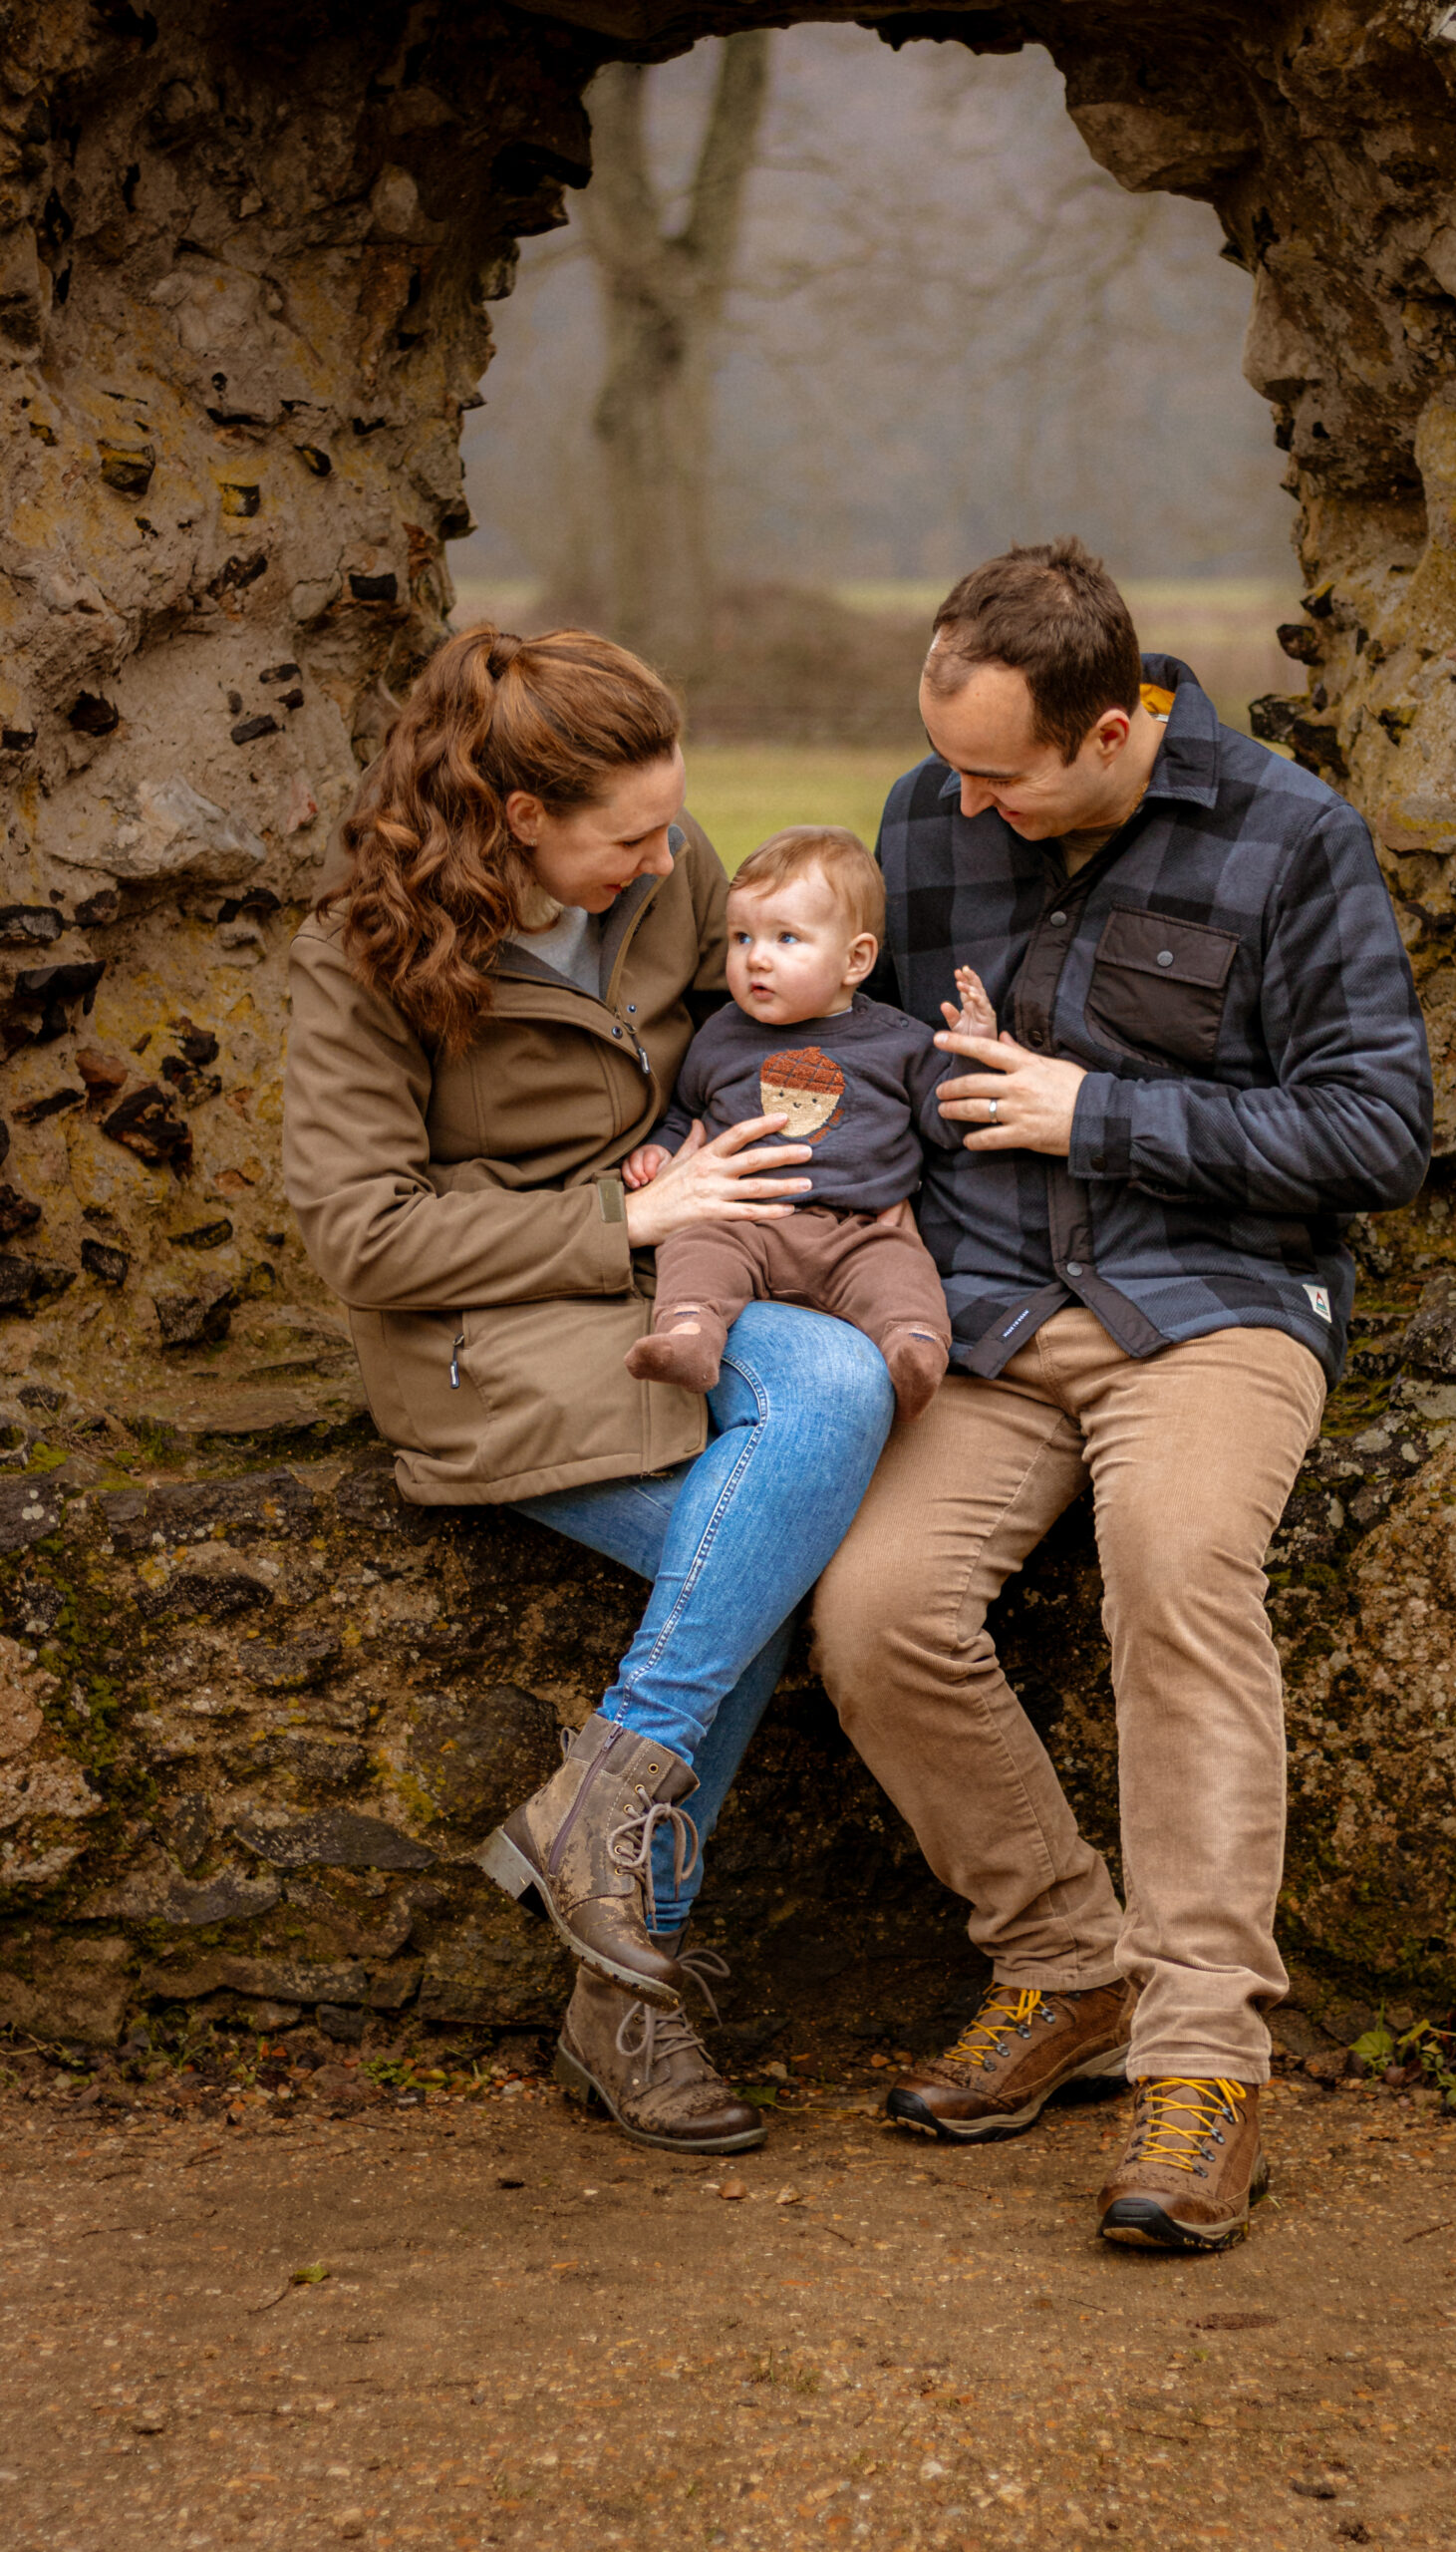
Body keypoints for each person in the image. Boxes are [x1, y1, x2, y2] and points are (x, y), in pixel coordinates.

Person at [811, 538, 1432, 2251]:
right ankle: (1064, 1970)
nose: (960, 800)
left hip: (1213, 1309)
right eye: (947, 762)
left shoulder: (1287, 833)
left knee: (1174, 1578)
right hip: (992, 1310)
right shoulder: (926, 815)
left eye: (996, 774)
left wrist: (1095, 1114)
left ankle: (1203, 2062)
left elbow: (1377, 1134)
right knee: (869, 1613)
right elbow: (868, 1047)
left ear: (1108, 733)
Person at [283, 626, 895, 2158]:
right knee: (748, 1547)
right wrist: (614, 1219)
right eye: (624, 836)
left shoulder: (667, 869)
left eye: (665, 822)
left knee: (825, 1384)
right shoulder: (359, 955)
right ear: (513, 821)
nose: (662, 855)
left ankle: (595, 1818)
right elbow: (361, 1237)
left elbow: (753, 1026)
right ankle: (630, 1994)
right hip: (491, 1333)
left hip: (686, 1276)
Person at [621, 824, 988, 1422]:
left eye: (786, 938)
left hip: (859, 1230)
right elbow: (687, 1112)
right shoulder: (721, 1035)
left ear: (856, 959)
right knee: (694, 1251)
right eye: (741, 937)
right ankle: (688, 1336)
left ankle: (914, 1350)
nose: (755, 957)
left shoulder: (899, 1043)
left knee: (902, 1274)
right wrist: (659, 1155)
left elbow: (947, 1124)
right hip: (743, 1219)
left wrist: (967, 1055)